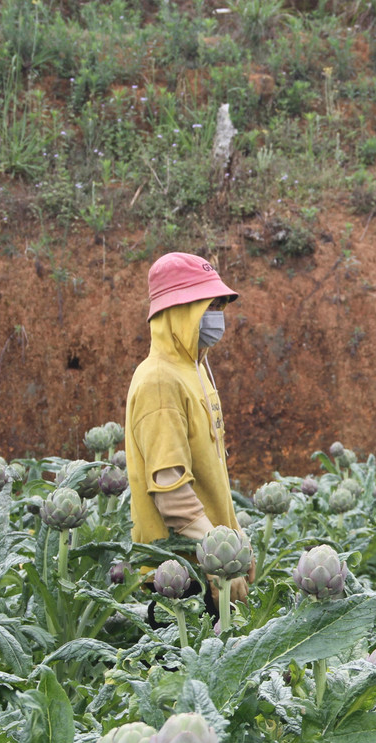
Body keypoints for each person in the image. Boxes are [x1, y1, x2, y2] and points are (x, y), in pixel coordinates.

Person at [125, 252, 253, 609]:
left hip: (210, 562)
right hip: (181, 579)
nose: (217, 316)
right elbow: (171, 491)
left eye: (219, 306)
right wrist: (219, 554)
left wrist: (237, 540)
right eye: (208, 306)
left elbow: (211, 478)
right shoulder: (159, 381)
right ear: (178, 313)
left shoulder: (193, 371)